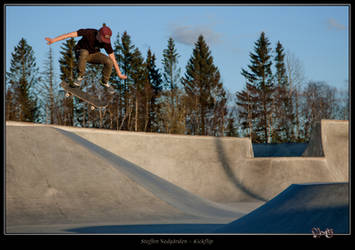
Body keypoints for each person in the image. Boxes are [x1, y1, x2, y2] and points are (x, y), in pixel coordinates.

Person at [45, 23, 127, 94]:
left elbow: (113, 58)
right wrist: (54, 40)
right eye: (102, 39)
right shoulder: (89, 32)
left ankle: (104, 82)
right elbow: (69, 35)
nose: (102, 42)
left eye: (105, 40)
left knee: (109, 61)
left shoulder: (106, 43)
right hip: (80, 53)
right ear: (98, 33)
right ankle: (80, 77)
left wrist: (119, 73)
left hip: (93, 55)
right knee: (84, 52)